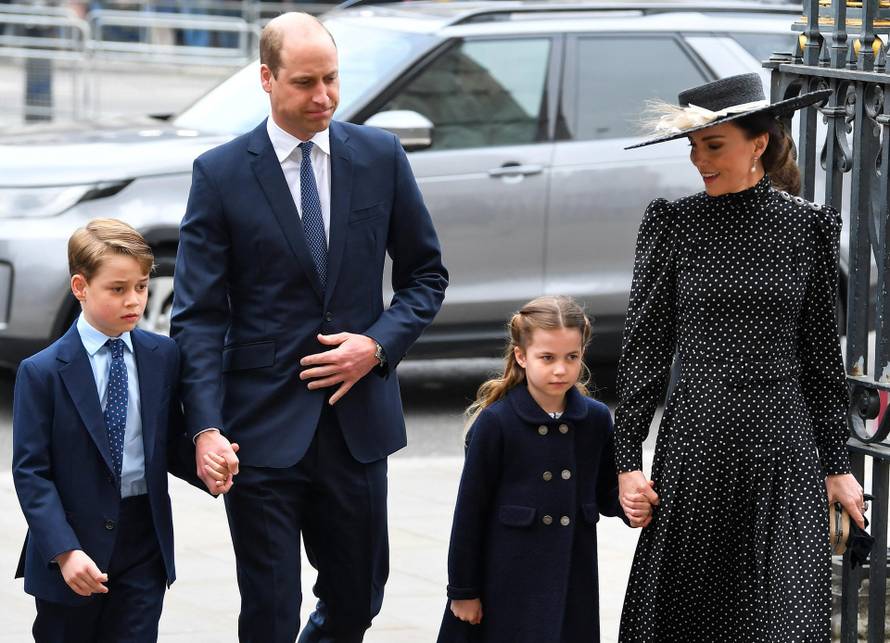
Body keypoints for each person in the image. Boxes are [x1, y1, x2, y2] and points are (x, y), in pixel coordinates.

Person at [170, 11, 448, 643]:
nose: (323, 96)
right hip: (259, 427)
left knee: (359, 598)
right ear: (266, 79)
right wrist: (205, 427)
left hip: (356, 423)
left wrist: (375, 346)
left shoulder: (379, 156)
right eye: (304, 82)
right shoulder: (219, 173)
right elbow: (198, 314)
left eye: (331, 79)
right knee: (268, 611)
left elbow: (425, 277)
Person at [616, 72, 866, 641]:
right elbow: (644, 351)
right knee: (693, 616)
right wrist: (628, 461)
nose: (699, 161)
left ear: (758, 143)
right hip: (699, 437)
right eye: (694, 147)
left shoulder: (809, 227)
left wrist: (835, 464)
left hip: (784, 444)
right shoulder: (673, 224)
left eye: (713, 145)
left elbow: (822, 357)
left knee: (787, 618)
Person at [11, 218, 223, 642]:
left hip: (143, 539)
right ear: (80, 287)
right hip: (72, 544)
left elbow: (167, 442)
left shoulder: (162, 355)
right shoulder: (41, 372)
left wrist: (207, 463)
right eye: (118, 289)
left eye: (142, 286)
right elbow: (31, 473)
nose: (134, 300)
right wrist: (65, 551)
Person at [436, 296, 630, 643]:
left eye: (572, 357)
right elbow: (469, 513)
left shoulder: (596, 419)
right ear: (521, 356)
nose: (561, 369)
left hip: (572, 577)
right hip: (509, 578)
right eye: (547, 358)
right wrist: (463, 590)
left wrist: (632, 504)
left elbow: (606, 493)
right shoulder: (497, 423)